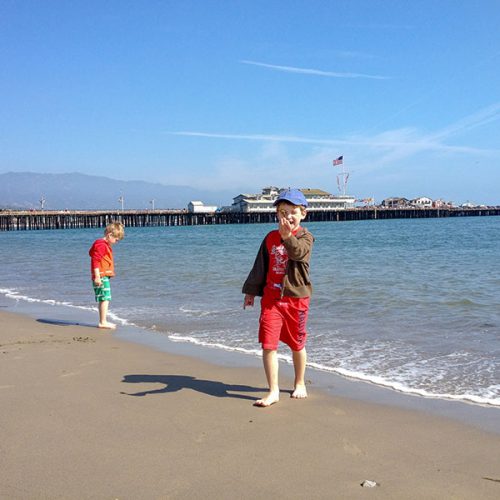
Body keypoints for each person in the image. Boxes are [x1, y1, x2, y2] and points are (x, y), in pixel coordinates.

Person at [242, 189, 314, 407]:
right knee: (268, 344)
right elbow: (260, 266)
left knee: (297, 344)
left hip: (295, 300)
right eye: (283, 211)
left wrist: (287, 236)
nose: (288, 216)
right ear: (276, 214)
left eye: (293, 211)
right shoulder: (270, 237)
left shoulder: (306, 237)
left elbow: (298, 253)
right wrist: (251, 292)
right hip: (271, 300)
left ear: (303, 213)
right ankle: (273, 390)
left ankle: (299, 382)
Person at [89, 221, 125, 329]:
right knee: (105, 298)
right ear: (109, 235)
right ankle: (103, 322)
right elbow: (95, 259)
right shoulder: (102, 246)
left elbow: (90, 253)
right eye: (116, 240)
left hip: (101, 275)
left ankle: (102, 320)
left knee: (103, 298)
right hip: (100, 276)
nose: (116, 242)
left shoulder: (98, 243)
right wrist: (97, 276)